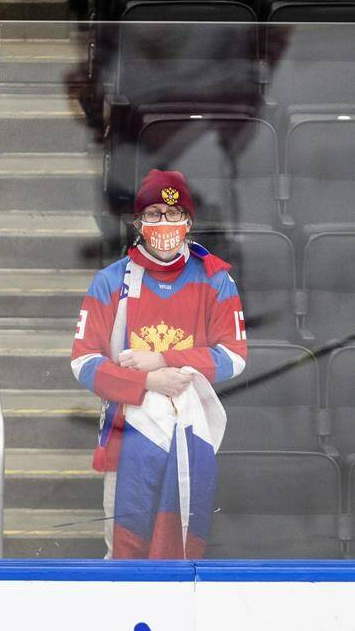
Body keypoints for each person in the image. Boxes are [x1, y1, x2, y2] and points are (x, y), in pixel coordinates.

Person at [70, 169, 247, 559]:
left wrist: (165, 358)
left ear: (189, 222)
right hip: (129, 433)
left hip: (190, 433)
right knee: (125, 550)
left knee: (183, 549)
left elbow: (234, 356)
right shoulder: (111, 281)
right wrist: (150, 380)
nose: (163, 223)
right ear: (138, 223)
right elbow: (83, 362)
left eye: (172, 213)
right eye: (153, 213)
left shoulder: (216, 279)